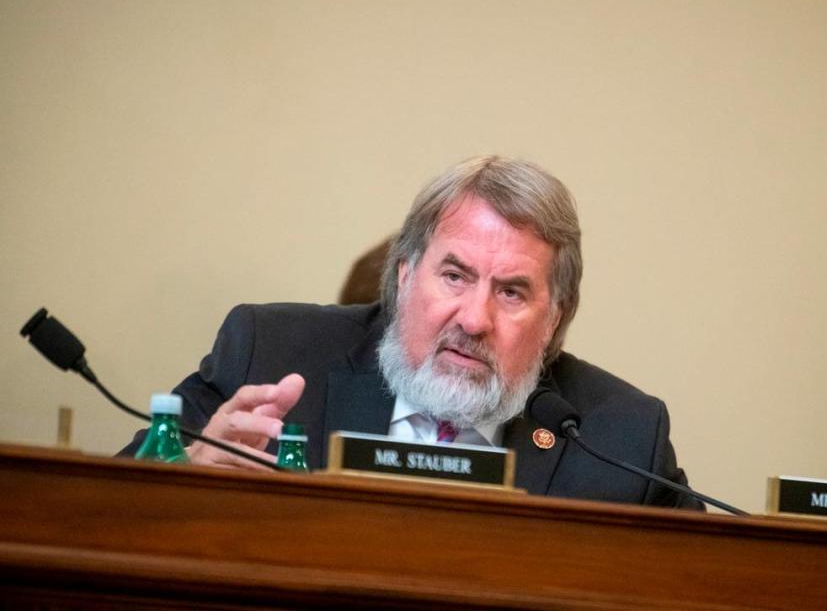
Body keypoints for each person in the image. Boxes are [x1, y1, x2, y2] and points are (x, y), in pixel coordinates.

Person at [120, 155, 702, 509]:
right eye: (454, 275)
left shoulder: (622, 437)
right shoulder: (269, 352)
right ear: (403, 277)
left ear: (555, 319)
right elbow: (105, 510)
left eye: (512, 292)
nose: (475, 319)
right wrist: (183, 474)